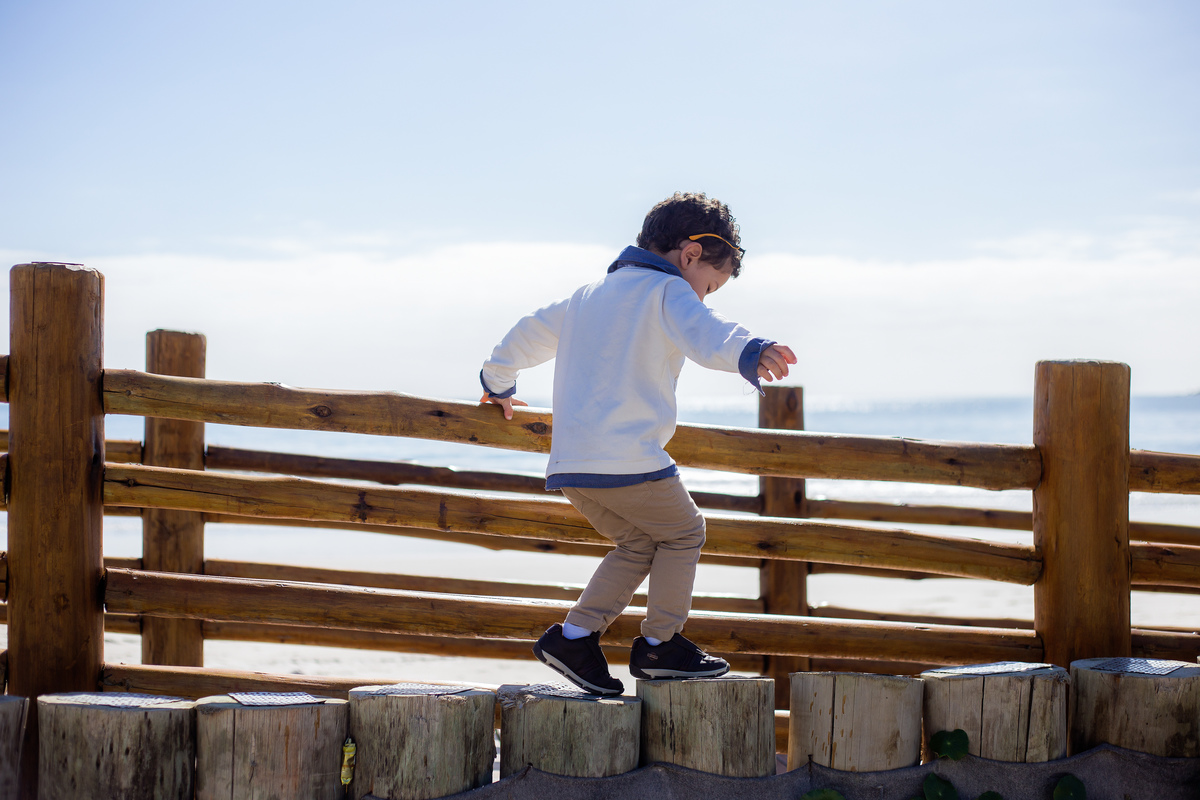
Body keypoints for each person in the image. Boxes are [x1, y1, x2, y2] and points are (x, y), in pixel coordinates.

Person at [478, 192, 796, 695]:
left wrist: (498, 382)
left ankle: (574, 637)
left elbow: (527, 333)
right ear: (690, 254)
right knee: (686, 532)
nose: (705, 297)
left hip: (573, 467)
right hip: (629, 459)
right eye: (710, 285)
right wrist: (752, 350)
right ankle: (660, 644)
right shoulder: (669, 293)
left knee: (640, 542)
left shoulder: (586, 296)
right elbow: (708, 333)